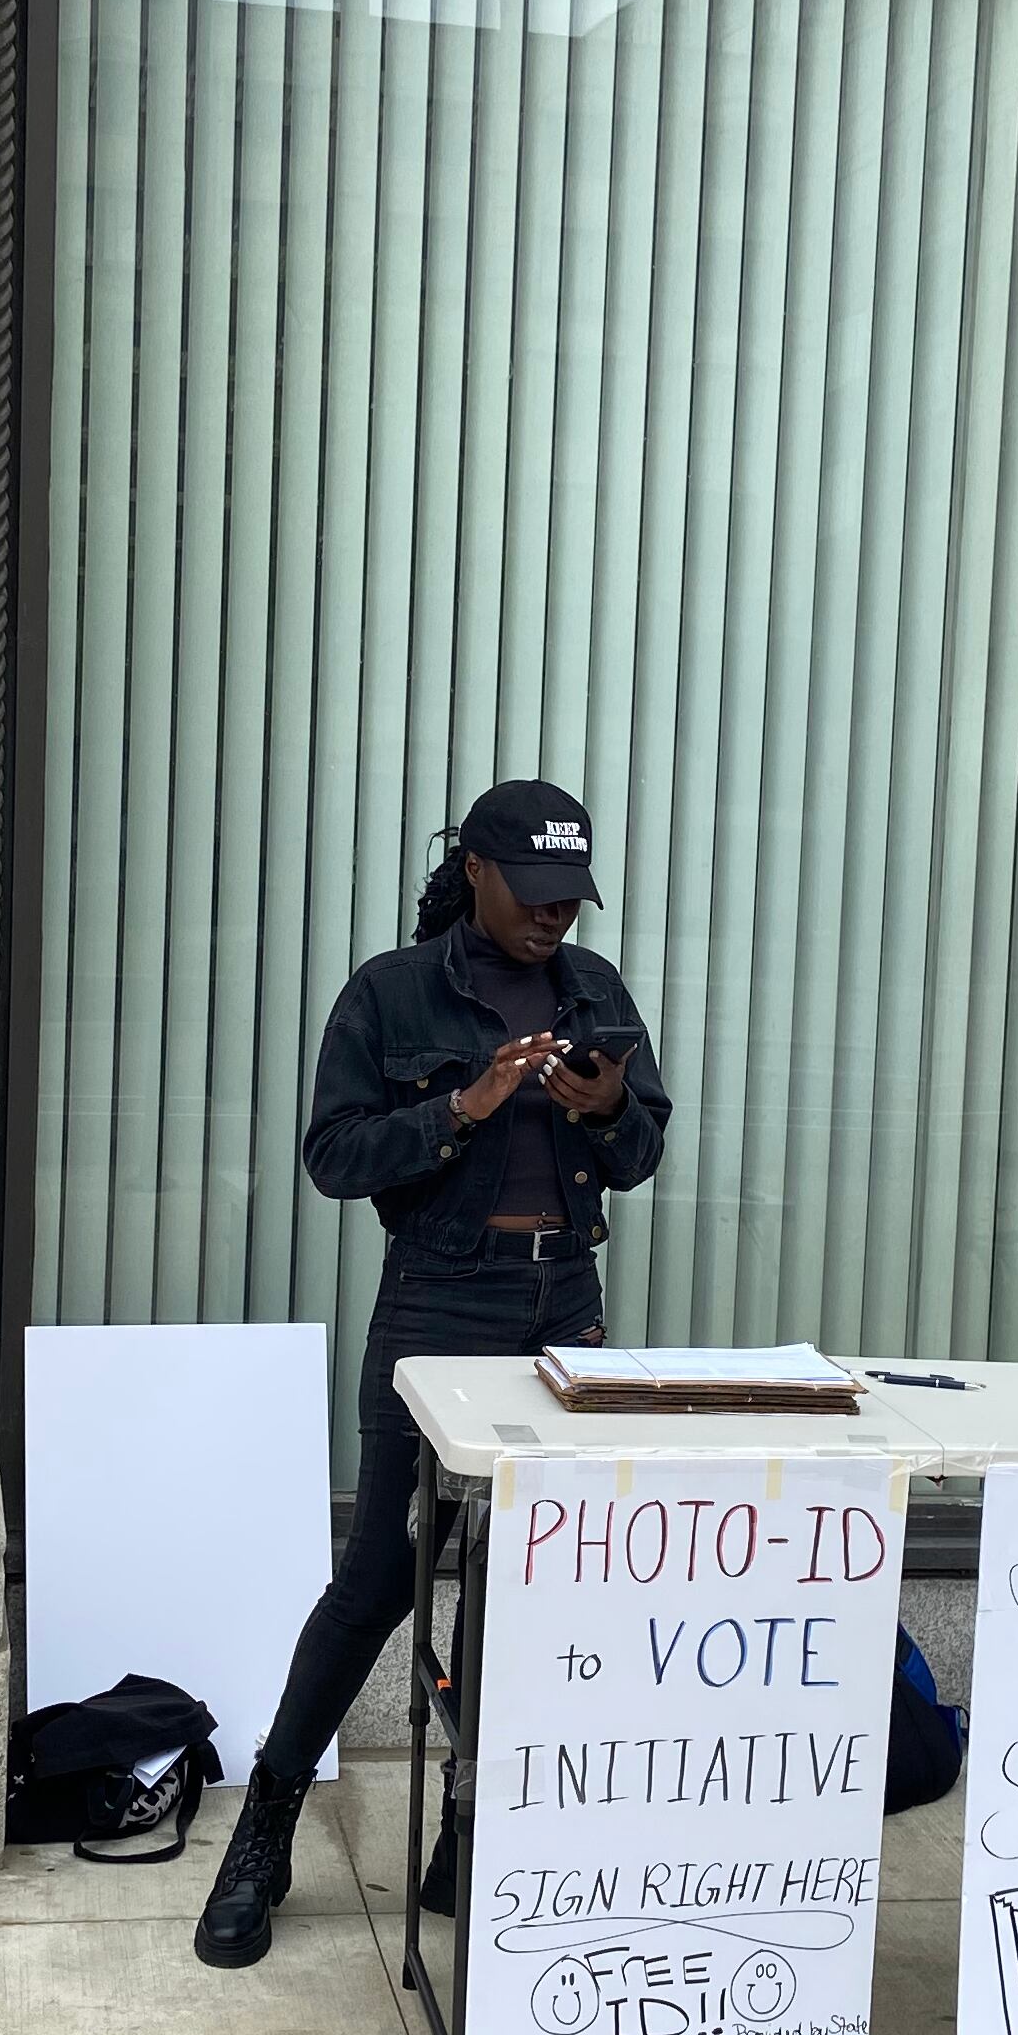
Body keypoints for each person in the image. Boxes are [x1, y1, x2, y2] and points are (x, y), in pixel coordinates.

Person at [193, 779, 673, 1970]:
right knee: (379, 1578)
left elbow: (645, 1148)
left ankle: (467, 1837)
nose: (556, 919)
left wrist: (608, 1110)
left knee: (519, 1581)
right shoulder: (391, 992)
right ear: (475, 870)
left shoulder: (594, 990)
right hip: (438, 1301)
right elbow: (333, 1156)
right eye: (536, 894)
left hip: (562, 1308)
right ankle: (263, 1831)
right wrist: (464, 1105)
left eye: (574, 897)